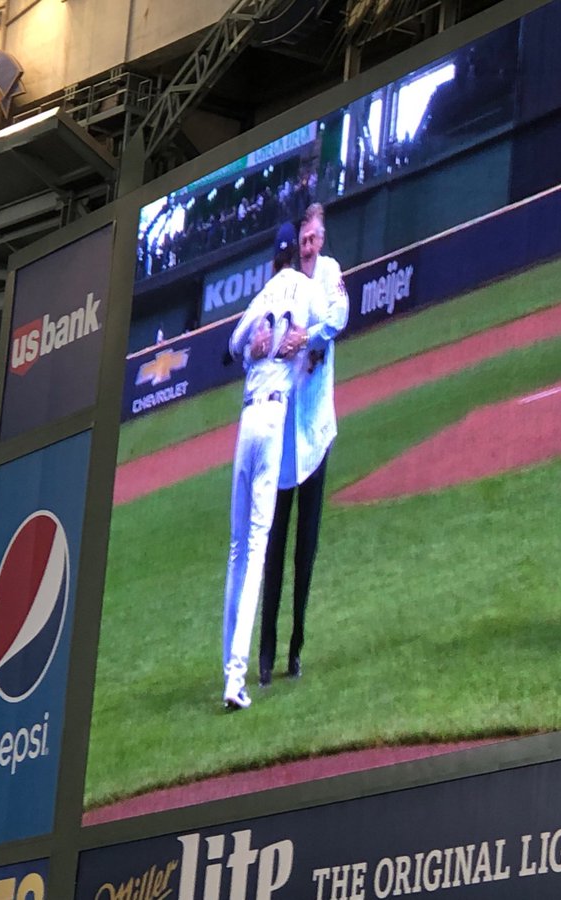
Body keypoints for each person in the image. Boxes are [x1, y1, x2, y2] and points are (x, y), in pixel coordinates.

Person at [221, 221, 323, 710]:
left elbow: (230, 346)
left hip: (246, 423)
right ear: (295, 256)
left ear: (271, 260)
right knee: (257, 549)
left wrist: (250, 349)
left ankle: (229, 668)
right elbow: (333, 322)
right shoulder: (305, 287)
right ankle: (234, 678)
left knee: (236, 550)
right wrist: (306, 337)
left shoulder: (262, 296)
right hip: (274, 419)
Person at [258, 203, 349, 683]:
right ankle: (266, 652)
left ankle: (296, 646)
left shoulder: (329, 274)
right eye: (303, 242)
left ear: (322, 238)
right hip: (281, 434)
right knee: (274, 547)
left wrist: (305, 337)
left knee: (305, 550)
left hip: (314, 430)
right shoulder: (286, 284)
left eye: (314, 239)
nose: (309, 248)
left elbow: (338, 318)